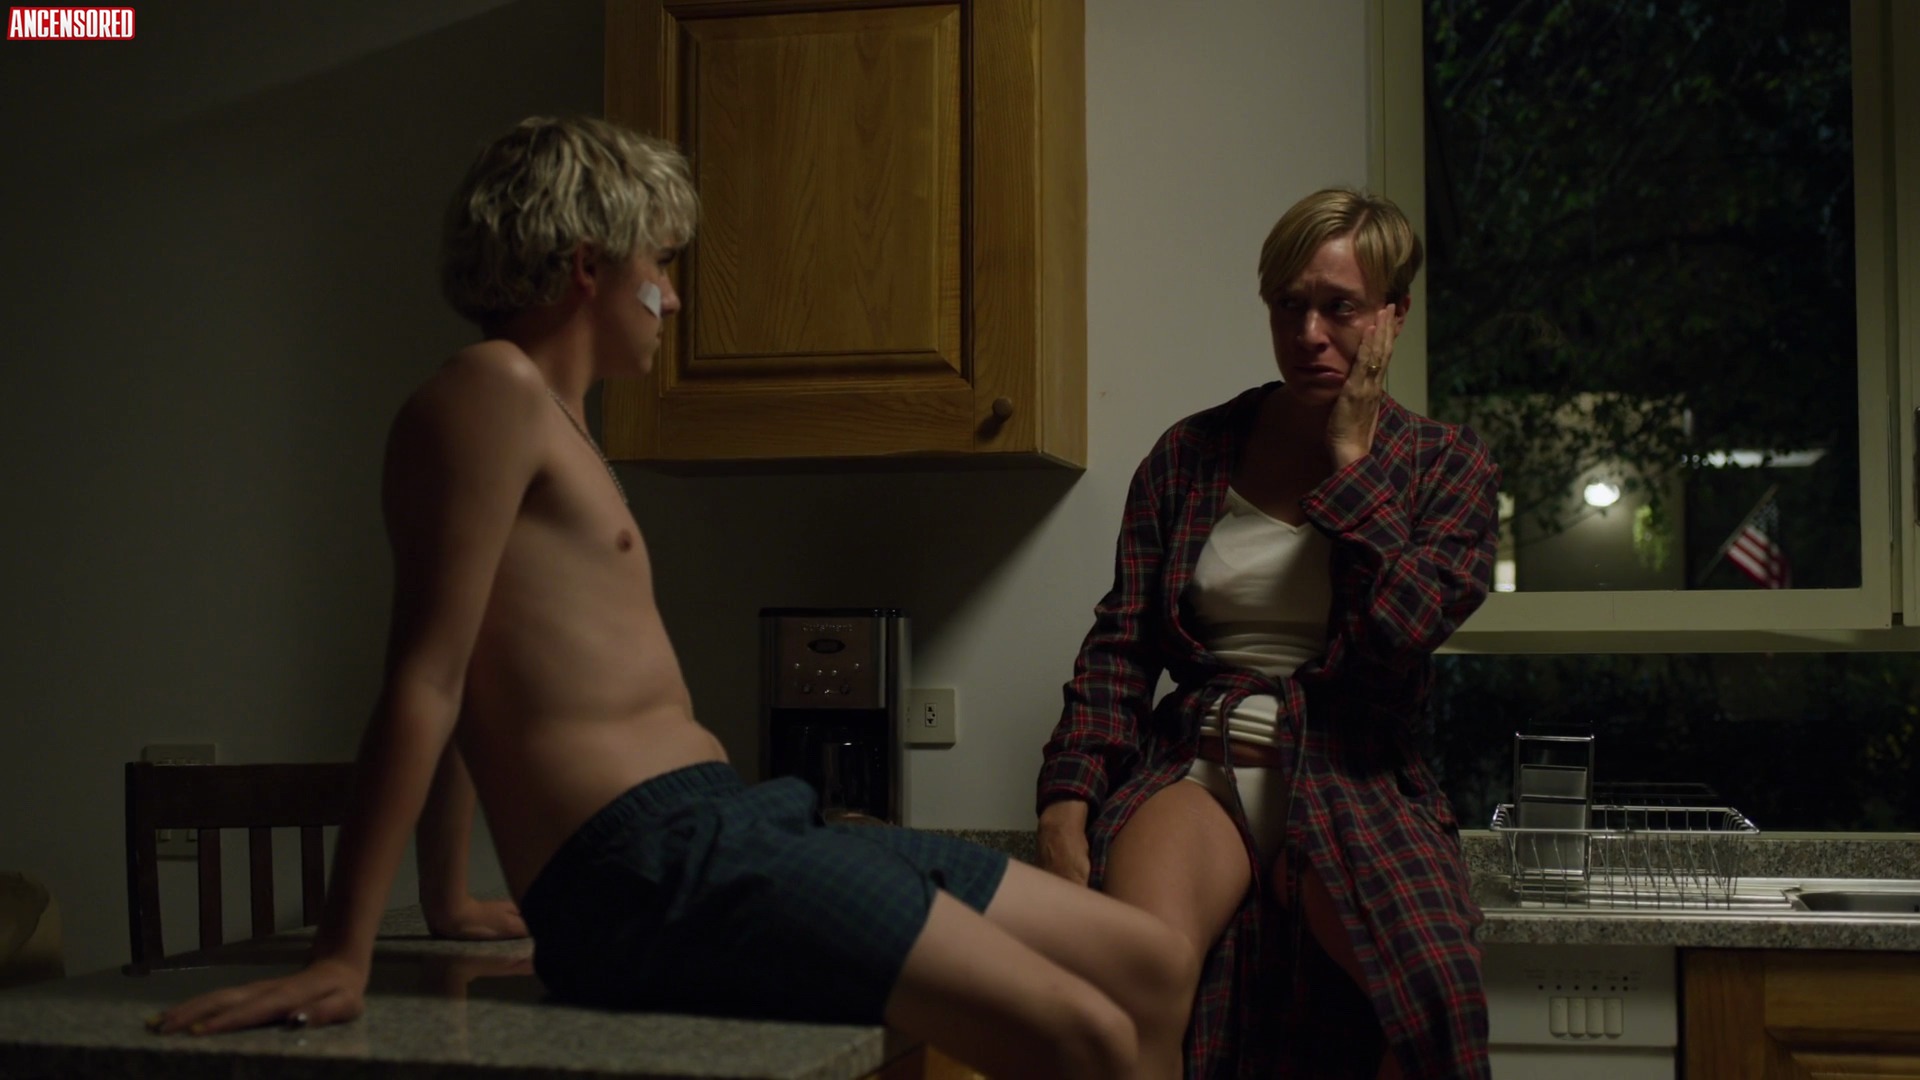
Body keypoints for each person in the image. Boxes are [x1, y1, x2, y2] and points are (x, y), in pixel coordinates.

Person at [148, 115, 1198, 1080]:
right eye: (660, 264)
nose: (674, 297)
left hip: (731, 824)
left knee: (1146, 964)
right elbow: (427, 676)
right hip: (648, 865)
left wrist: (449, 896)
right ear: (587, 266)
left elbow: (479, 676)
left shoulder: (556, 422)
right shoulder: (489, 390)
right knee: (1087, 1034)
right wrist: (342, 954)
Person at [1036, 188, 1499, 1079]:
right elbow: (1122, 644)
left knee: (1431, 999)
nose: (1310, 334)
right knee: (1133, 987)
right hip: (1204, 764)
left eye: (1340, 308)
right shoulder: (1191, 453)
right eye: (1290, 306)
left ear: (1394, 316)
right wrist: (1066, 799)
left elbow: (1402, 629)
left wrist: (1352, 462)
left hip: (1351, 770)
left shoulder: (1446, 465)